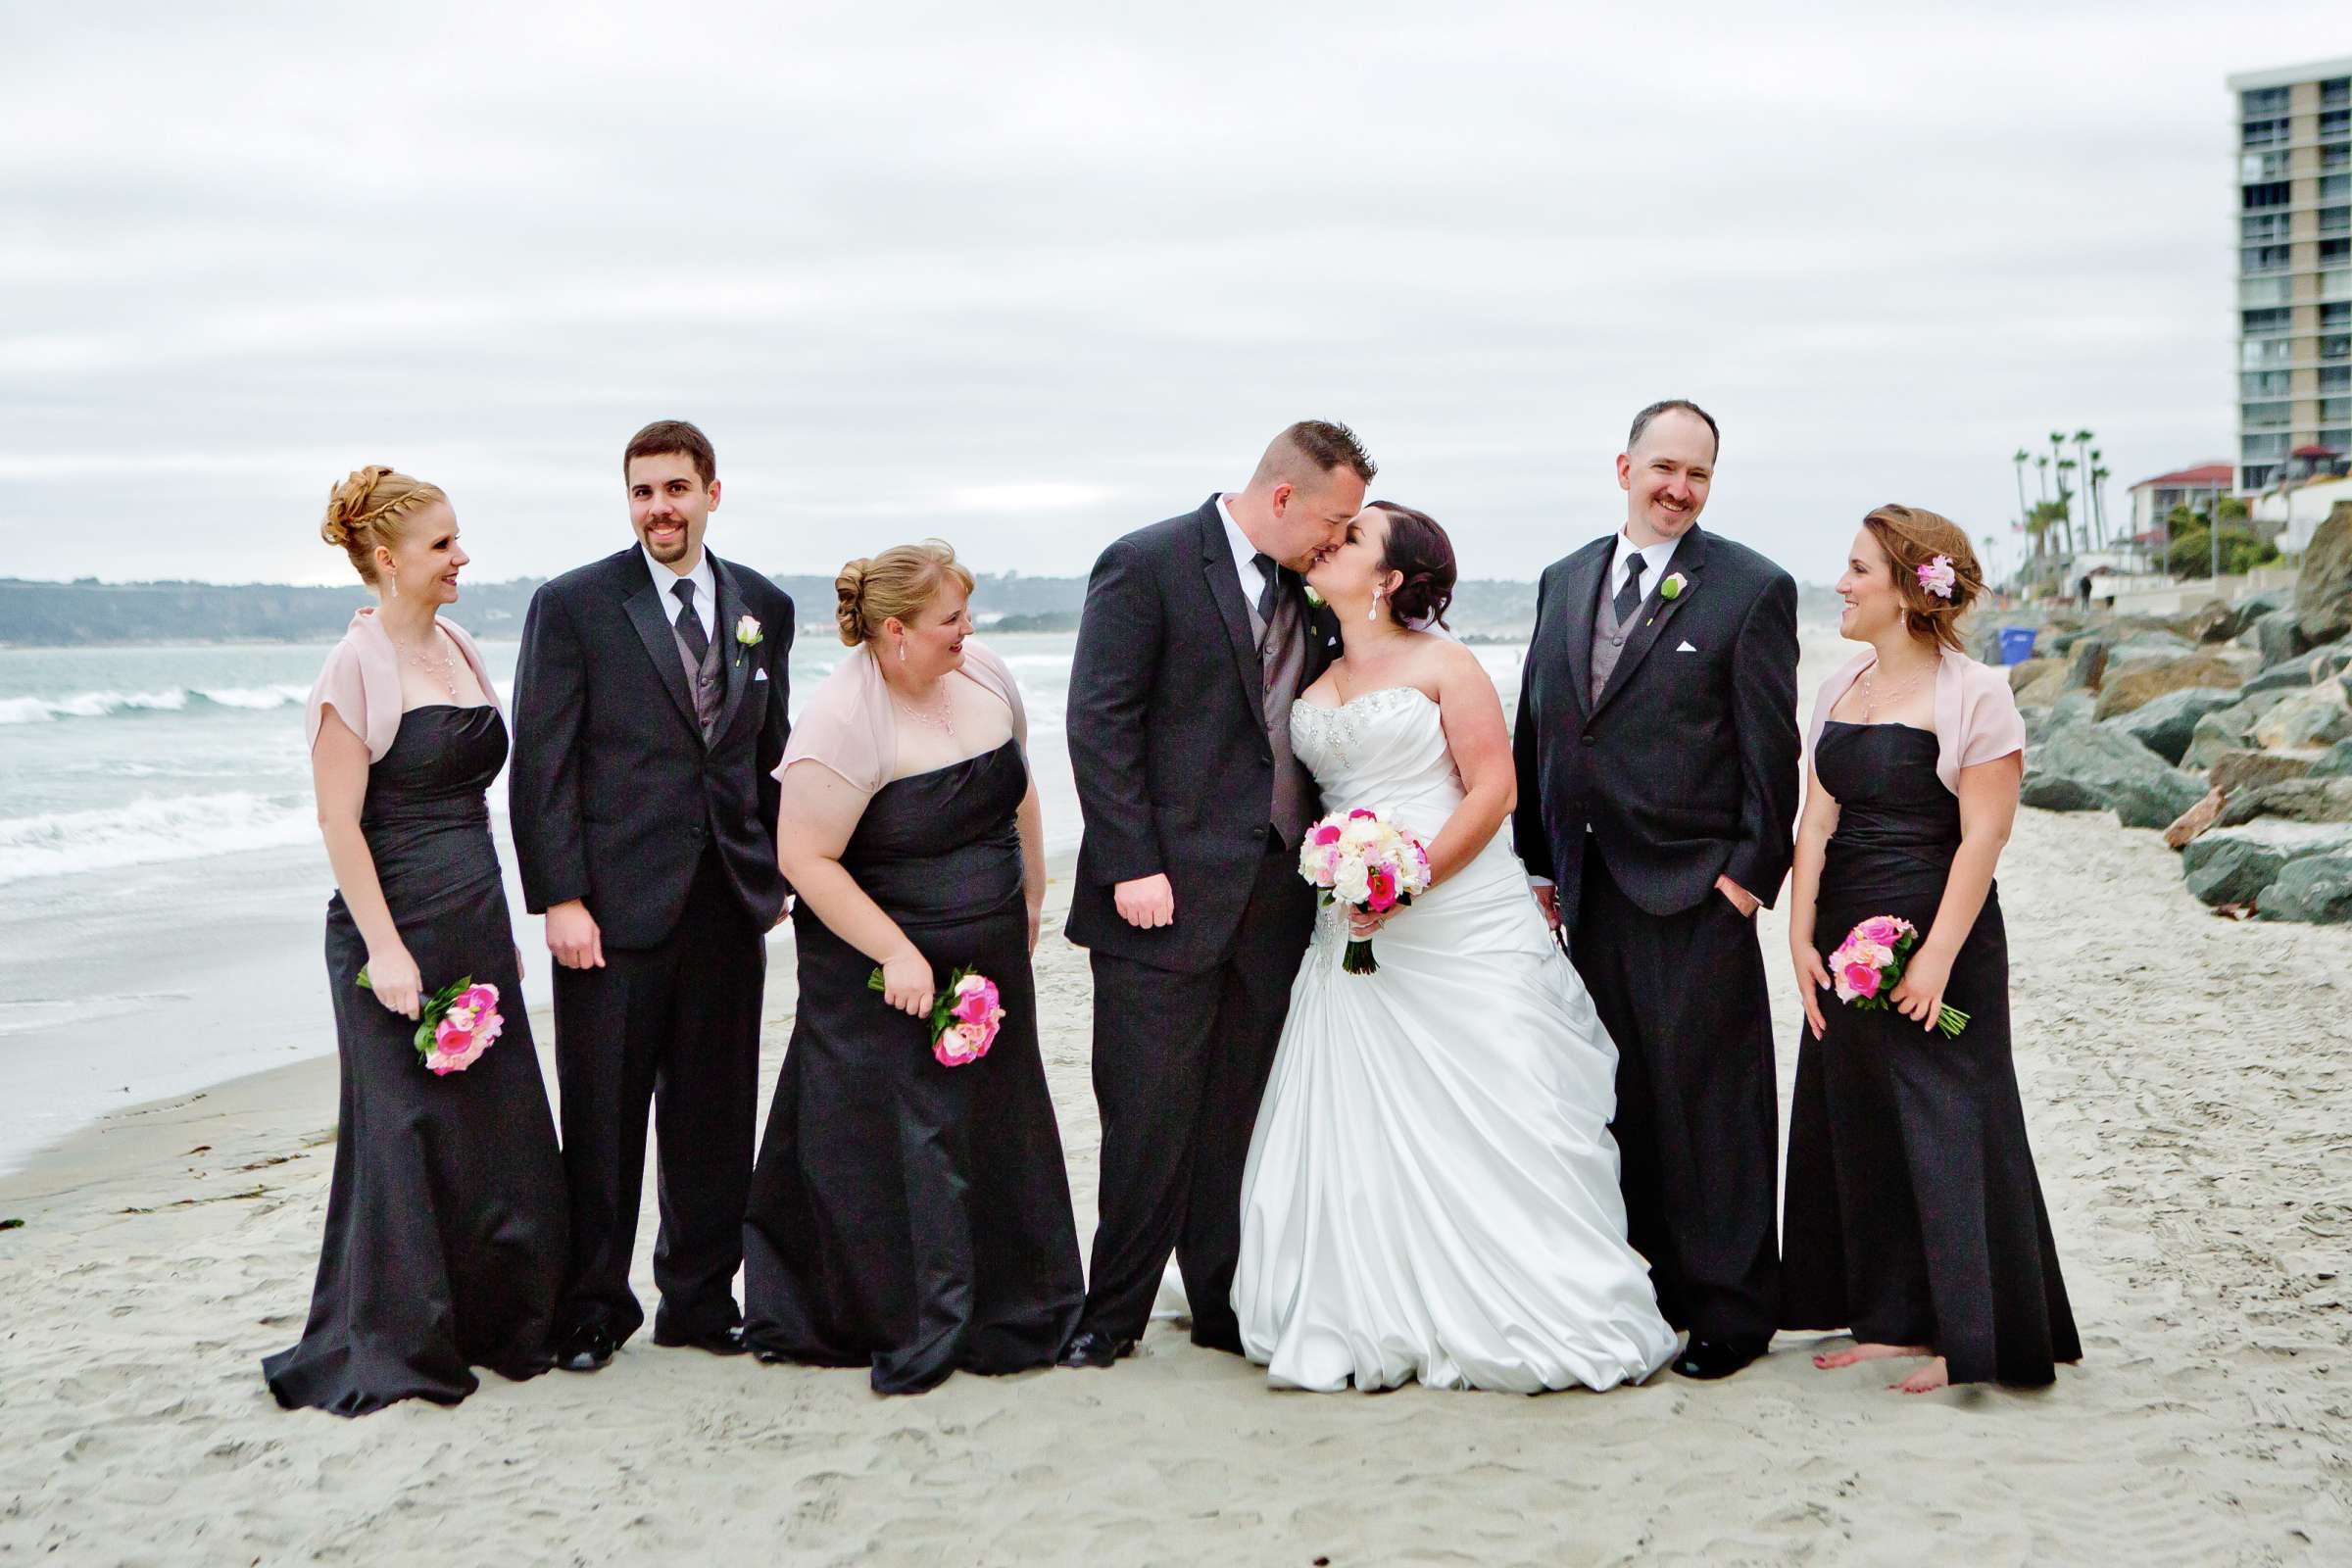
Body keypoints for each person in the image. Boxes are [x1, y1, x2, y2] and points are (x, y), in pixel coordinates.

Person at [1232, 503, 1676, 1393]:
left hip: (1455, 914)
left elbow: (1494, 790)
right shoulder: (1312, 673)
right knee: (1353, 1113)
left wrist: (1409, 881)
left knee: (1496, 1104)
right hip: (1351, 924)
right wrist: (1350, 880)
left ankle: (1523, 1296)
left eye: (1354, 537)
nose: (1332, 541)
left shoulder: (1448, 664)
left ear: (1390, 578)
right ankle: (1362, 1302)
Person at [741, 542, 1083, 1394]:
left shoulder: (987, 676)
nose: (968, 632)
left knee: (1001, 1119)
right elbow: (804, 858)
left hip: (992, 951)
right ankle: (916, 1313)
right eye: (951, 621)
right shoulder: (842, 722)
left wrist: (1032, 895)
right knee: (914, 1136)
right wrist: (897, 952)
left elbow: (1018, 787)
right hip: (883, 969)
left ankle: (1018, 1303)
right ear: (895, 632)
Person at [1057, 421, 1363, 1368]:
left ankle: (1225, 1302)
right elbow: (1100, 720)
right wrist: (1131, 863)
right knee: (1147, 1115)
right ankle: (1113, 1316)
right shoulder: (1145, 563)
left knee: (1239, 1114)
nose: (1340, 542)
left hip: (1272, 902)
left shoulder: (1310, 595)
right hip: (1161, 896)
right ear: (1282, 498)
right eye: (1334, 521)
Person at [265, 466, 566, 1415]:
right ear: (387, 560)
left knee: (498, 1123)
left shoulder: (462, 644)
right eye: (442, 545)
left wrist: (498, 921)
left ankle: (502, 1322)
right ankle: (404, 1336)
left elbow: (474, 803)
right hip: (387, 930)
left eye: (457, 538)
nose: (461, 557)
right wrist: (387, 952)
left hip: (471, 914)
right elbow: (339, 824)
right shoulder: (351, 669)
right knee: (405, 1133)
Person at [1511, 399, 1800, 1381]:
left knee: (1710, 1104)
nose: (1679, 487)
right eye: (1665, 467)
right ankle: (1660, 1282)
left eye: (1700, 474)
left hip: (1695, 889)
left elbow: (1772, 751)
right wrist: (1537, 858)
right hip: (1586, 888)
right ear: (1624, 465)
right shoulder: (1563, 579)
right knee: (1618, 1093)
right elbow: (1543, 722)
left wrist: (1744, 881)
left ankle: (1732, 1308)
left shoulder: (1751, 588)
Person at [507, 419, 796, 1372]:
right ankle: (592, 1308)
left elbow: (765, 752)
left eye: (675, 488)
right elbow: (543, 764)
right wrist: (560, 897)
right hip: (612, 911)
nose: (659, 509)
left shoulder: (764, 606)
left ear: (714, 490)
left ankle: (700, 1300)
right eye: (642, 492)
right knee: (603, 1116)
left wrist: (778, 867)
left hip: (727, 901)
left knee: (715, 1113)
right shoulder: (576, 605)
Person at [1783, 506, 2081, 1392]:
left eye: (1859, 569)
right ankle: (1894, 1319)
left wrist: (1938, 956)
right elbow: (1818, 817)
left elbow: (1984, 837)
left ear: (1914, 588)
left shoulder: (1976, 692)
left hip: (1939, 934)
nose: (1841, 583)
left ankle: (1973, 1338)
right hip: (1844, 941)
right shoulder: (1839, 686)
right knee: (1863, 1120)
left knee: (1953, 1125)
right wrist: (1800, 935)